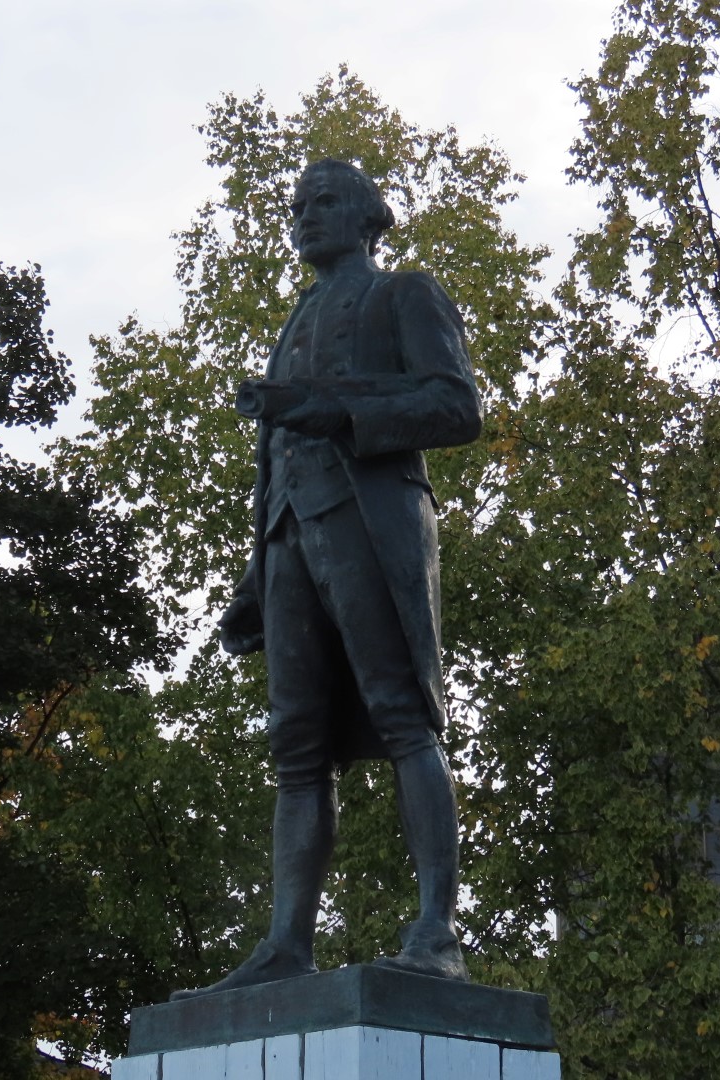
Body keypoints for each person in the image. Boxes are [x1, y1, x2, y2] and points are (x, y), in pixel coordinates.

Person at [175, 159, 482, 999]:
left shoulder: (402, 295)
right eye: (295, 207)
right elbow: (273, 456)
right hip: (288, 539)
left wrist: (335, 408)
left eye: (322, 204)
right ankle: (286, 944)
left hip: (369, 525)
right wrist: (252, 574)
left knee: (406, 717)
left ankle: (436, 932)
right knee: (294, 745)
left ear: (366, 216)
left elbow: (458, 407)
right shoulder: (297, 317)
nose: (303, 218)